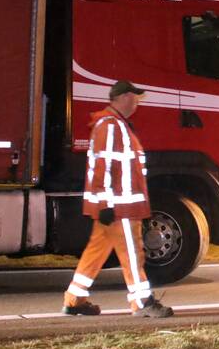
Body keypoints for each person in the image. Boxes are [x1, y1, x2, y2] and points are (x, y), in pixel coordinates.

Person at [62, 80, 174, 318]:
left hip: (116, 207)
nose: (137, 103)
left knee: (96, 252)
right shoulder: (112, 126)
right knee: (133, 254)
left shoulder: (113, 124)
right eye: (135, 98)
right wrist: (106, 204)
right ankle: (142, 302)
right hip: (120, 208)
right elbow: (103, 166)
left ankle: (74, 299)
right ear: (123, 97)